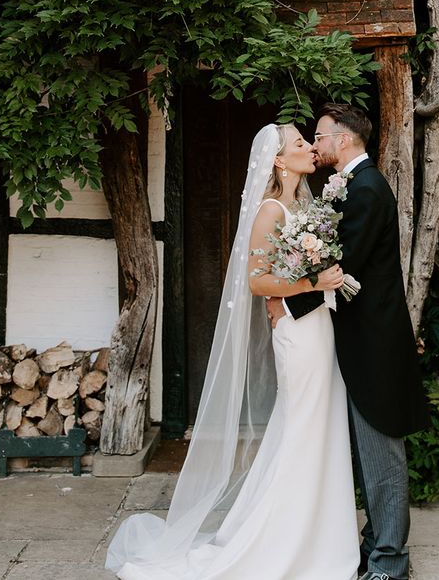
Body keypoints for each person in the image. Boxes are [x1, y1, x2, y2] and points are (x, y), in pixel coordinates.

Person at [106, 123, 359, 580]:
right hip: (298, 335)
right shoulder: (270, 209)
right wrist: (315, 281)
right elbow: (258, 282)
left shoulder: (304, 204)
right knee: (303, 428)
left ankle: (317, 534)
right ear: (280, 161)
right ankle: (284, 541)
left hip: (319, 327)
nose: (309, 148)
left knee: (317, 426)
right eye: (300, 143)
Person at [270, 103, 429, 580]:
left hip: (374, 343)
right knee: (368, 452)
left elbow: (343, 265)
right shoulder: (352, 185)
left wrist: (288, 306)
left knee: (381, 454)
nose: (315, 145)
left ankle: (390, 563)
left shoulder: (366, 190)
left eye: (319, 136)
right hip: (359, 338)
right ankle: (372, 544)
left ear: (343, 139)